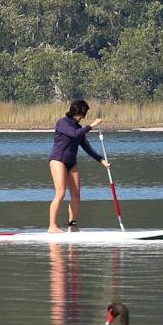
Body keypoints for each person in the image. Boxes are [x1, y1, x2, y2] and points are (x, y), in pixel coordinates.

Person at [48, 99, 110, 233]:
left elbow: (87, 147)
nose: (83, 117)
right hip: (58, 160)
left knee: (76, 195)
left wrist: (101, 160)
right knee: (60, 193)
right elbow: (74, 134)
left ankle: (72, 225)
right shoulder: (62, 123)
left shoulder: (78, 128)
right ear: (76, 112)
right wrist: (92, 125)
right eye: (83, 114)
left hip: (71, 163)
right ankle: (52, 226)